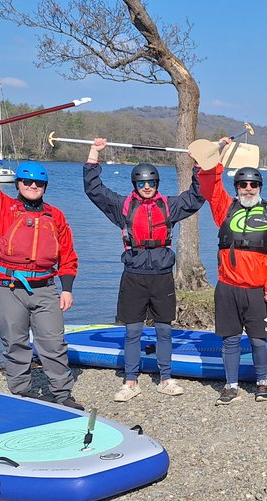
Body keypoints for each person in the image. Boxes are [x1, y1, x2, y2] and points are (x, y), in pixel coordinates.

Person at [0, 120, 82, 410]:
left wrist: (66, 289)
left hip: (45, 288)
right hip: (8, 287)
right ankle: (21, 392)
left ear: (44, 187)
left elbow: (68, 255)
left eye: (38, 183)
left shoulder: (56, 217)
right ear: (18, 184)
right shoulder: (3, 208)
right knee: (14, 341)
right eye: (27, 182)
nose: (32, 186)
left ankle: (62, 393)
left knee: (54, 343)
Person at [84, 139, 204, 401]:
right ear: (135, 185)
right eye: (141, 183)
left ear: (157, 184)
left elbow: (197, 196)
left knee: (163, 330)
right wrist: (94, 153)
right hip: (134, 276)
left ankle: (166, 379)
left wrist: (199, 163)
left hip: (161, 276)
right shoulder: (122, 206)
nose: (146, 187)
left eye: (150, 183)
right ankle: (130, 382)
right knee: (133, 331)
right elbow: (94, 190)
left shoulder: (169, 206)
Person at [198, 150, 267, 405]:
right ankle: (231, 384)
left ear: (259, 187)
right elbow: (209, 185)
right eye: (243, 184)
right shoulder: (225, 208)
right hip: (227, 287)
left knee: (259, 339)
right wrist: (215, 156)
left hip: (258, 289)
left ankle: (261, 381)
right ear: (236, 187)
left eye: (253, 184)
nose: (248, 189)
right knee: (231, 339)